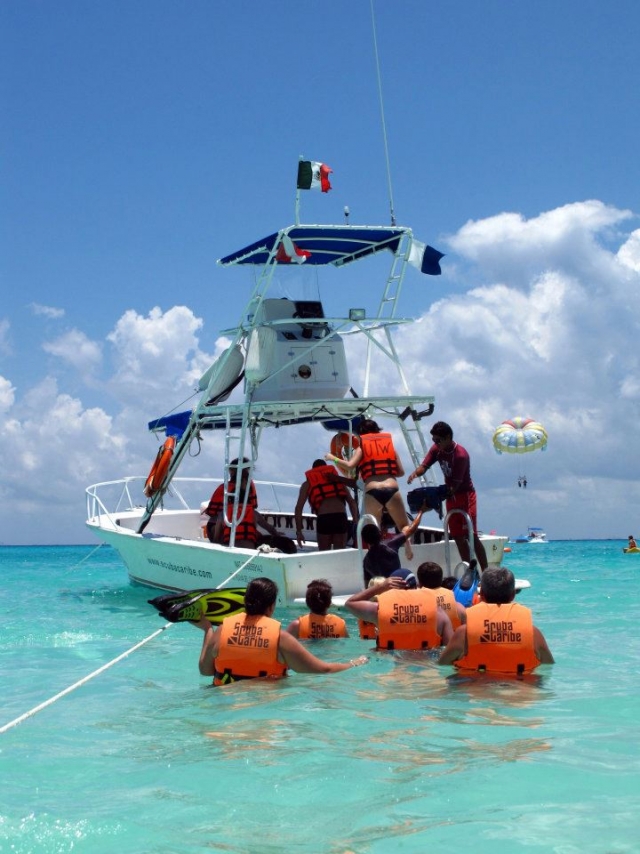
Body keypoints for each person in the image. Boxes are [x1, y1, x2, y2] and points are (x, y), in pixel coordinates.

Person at [192, 577, 367, 686]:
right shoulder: (279, 638)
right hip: (265, 709)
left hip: (223, 702)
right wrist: (354, 663)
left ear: (245, 602)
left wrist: (207, 629)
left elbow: (205, 670)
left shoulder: (222, 630)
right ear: (271, 606)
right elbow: (324, 669)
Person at [438, 567, 554, 675]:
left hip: (477, 685)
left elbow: (443, 664)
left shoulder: (464, 633)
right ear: (513, 595)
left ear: (481, 594)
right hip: (521, 686)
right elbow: (548, 664)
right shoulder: (533, 633)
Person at [407, 421, 488, 570]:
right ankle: (470, 571)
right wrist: (414, 474)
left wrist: (436, 498)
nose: (436, 443)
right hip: (451, 497)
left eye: (438, 440)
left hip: (465, 495)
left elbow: (454, 486)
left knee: (471, 535)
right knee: (457, 536)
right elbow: (424, 466)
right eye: (434, 440)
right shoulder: (437, 449)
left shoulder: (460, 455)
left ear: (448, 437)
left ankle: (486, 571)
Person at [325, 418, 412, 551]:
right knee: (404, 525)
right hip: (391, 487)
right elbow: (401, 472)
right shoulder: (390, 448)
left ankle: (375, 555)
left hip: (372, 489)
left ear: (361, 434)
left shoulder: (362, 447)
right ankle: (408, 547)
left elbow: (350, 465)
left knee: (373, 530)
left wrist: (333, 458)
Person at [345, 569, 453, 650]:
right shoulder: (438, 613)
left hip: (393, 669)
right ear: (417, 586)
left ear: (391, 589)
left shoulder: (380, 611)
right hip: (429, 668)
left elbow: (350, 603)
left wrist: (380, 587)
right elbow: (452, 651)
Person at [294, 459, 359, 551]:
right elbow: (352, 502)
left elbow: (298, 508)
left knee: (324, 554)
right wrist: (355, 522)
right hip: (340, 517)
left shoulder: (307, 484)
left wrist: (299, 531)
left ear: (313, 471)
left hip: (324, 518)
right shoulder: (337, 480)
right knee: (339, 553)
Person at [361, 503, 428, 583]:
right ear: (380, 534)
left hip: (383, 589)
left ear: (365, 541)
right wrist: (421, 511)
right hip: (399, 585)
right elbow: (412, 529)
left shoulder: (366, 561)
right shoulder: (390, 544)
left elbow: (367, 585)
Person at [416, 561, 467, 630]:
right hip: (454, 635)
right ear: (441, 581)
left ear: (419, 583)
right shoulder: (458, 607)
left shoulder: (416, 605)